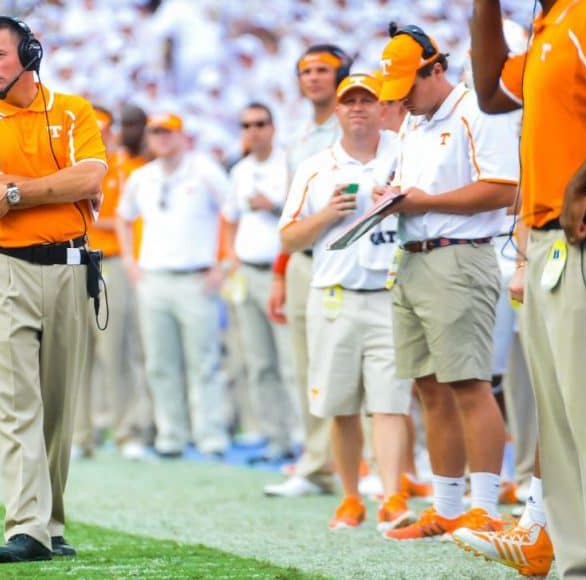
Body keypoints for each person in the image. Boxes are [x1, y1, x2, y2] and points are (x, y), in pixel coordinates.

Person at [467, 2, 586, 577]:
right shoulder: (550, 24)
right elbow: (490, 92)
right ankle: (579, 563)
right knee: (560, 428)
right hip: (555, 245)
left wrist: (582, 181)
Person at [0, 15, 106, 563]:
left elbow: (90, 179)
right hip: (2, 267)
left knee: (60, 405)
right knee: (15, 403)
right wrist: (53, 191)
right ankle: (28, 527)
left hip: (69, 266)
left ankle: (51, 523)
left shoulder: (74, 110)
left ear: (30, 54)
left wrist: (16, 194)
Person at [375, 24, 518, 541]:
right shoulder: (416, 122)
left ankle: (485, 508)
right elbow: (416, 190)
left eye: (408, 87)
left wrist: (422, 201)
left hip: (459, 257)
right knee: (429, 389)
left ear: (436, 69)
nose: (402, 101)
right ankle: (448, 507)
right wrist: (389, 195)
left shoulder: (476, 109)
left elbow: (504, 189)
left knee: (470, 385)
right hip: (413, 257)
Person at [279, 72, 414, 531]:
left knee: (390, 401)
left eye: (366, 100)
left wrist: (401, 200)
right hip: (334, 296)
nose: (358, 107)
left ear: (383, 108)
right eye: (349, 100)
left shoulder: (405, 154)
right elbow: (288, 236)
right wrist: (326, 215)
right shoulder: (316, 167)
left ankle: (393, 495)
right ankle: (352, 496)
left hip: (390, 292)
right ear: (336, 110)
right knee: (340, 403)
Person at [116, 112, 232, 460]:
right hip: (154, 277)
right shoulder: (142, 177)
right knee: (159, 363)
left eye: (168, 132)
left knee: (205, 361)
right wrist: (129, 261)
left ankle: (210, 434)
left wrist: (223, 264)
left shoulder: (204, 170)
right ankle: (171, 434)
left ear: (183, 137)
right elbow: (123, 217)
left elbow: (232, 212)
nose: (162, 139)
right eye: (156, 133)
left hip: (195, 277)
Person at [264, 43, 352, 498]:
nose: (314, 77)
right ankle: (317, 465)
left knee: (361, 361)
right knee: (305, 366)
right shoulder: (298, 137)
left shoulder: (353, 124)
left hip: (350, 259)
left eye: (323, 70)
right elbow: (290, 214)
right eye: (306, 71)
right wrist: (279, 273)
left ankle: (378, 465)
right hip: (303, 260)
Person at [74, 104, 153, 459]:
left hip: (112, 260)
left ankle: (126, 431)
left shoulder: (126, 168)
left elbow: (130, 219)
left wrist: (92, 222)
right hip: (74, 258)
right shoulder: (68, 165)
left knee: (117, 349)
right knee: (75, 354)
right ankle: (80, 436)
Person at [222, 102, 296, 460]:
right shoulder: (240, 170)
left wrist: (273, 205)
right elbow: (228, 217)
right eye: (246, 125)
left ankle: (304, 439)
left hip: (280, 269)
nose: (253, 130)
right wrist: (231, 257)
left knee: (291, 359)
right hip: (249, 270)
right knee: (259, 361)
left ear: (273, 127)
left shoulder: (289, 163)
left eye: (260, 123)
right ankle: (275, 437)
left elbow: (304, 215)